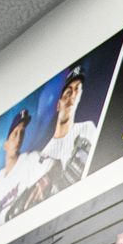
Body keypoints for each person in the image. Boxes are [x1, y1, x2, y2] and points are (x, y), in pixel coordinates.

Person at [31, 64, 99, 199]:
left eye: (77, 91)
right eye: (68, 92)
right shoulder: (45, 154)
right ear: (58, 104)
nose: (72, 96)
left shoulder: (88, 128)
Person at [0, 110, 39, 231]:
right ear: (5, 144)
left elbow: (54, 165)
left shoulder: (29, 159)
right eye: (15, 134)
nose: (18, 139)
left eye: (22, 133)